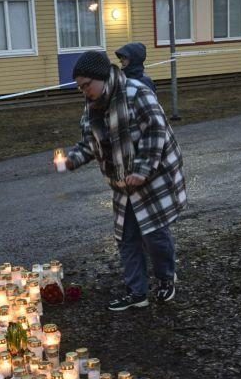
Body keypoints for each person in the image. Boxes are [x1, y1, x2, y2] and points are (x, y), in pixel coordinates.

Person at [64, 50, 186, 312]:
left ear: (103, 77)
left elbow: (156, 131)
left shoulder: (136, 93)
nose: (84, 92)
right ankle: (137, 292)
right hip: (122, 181)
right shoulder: (93, 107)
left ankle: (166, 278)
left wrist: (142, 170)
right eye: (80, 87)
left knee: (154, 234)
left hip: (152, 177)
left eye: (87, 85)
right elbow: (90, 142)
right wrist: (72, 159)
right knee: (127, 236)